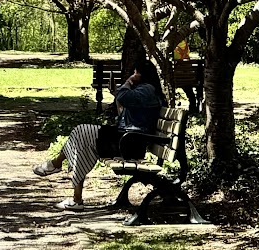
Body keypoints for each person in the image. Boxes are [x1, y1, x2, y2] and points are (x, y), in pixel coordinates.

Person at [34, 65, 165, 210]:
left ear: (141, 74)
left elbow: (124, 97)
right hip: (127, 140)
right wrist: (118, 94)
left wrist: (127, 82)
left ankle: (57, 166)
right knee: (81, 136)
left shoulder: (146, 90)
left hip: (129, 144)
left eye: (135, 72)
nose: (132, 75)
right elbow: (123, 109)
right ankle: (74, 196)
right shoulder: (146, 91)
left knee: (81, 132)